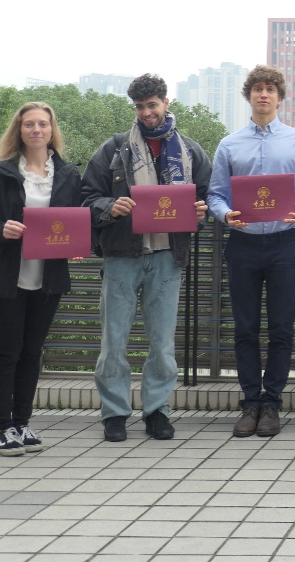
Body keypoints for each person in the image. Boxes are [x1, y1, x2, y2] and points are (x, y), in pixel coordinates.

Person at [82, 74, 211, 443]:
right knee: (113, 341)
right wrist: (110, 206)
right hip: (122, 255)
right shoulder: (114, 149)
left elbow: (208, 199)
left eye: (152, 105)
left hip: (168, 256)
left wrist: (202, 211)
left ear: (166, 103)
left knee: (162, 343)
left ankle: (157, 411)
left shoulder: (191, 151)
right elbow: (86, 197)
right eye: (139, 107)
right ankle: (115, 413)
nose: (146, 112)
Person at [206, 65, 295, 438]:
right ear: (249, 96)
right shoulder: (229, 144)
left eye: (270, 89)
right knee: (245, 328)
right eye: (257, 88)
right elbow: (215, 194)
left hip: (284, 244)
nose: (264, 94)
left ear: (280, 97)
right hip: (243, 243)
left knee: (282, 328)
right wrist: (225, 214)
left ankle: (272, 403)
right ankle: (250, 403)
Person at [0, 102, 83, 456]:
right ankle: (2, 427)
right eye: (29, 124)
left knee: (32, 352)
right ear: (18, 130)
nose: (36, 130)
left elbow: (76, 218)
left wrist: (77, 245)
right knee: (7, 352)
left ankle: (23, 423)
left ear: (52, 129)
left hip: (47, 277)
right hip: (4, 276)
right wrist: (1, 228)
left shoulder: (68, 174)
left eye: (43, 124)